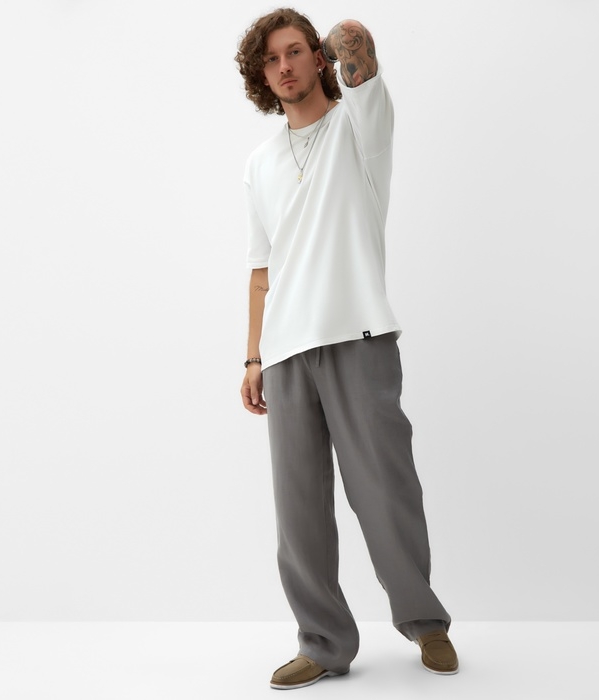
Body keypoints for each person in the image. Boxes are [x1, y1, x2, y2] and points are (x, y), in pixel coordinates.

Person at [235, 8, 458, 690]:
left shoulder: (360, 127)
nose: (283, 66)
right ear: (260, 74)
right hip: (284, 352)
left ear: (319, 58)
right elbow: (261, 270)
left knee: (385, 490)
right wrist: (252, 357)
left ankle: (425, 623)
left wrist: (336, 46)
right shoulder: (260, 163)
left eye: (295, 51)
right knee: (299, 513)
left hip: (357, 335)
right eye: (270, 58)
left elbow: (356, 42)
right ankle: (324, 642)